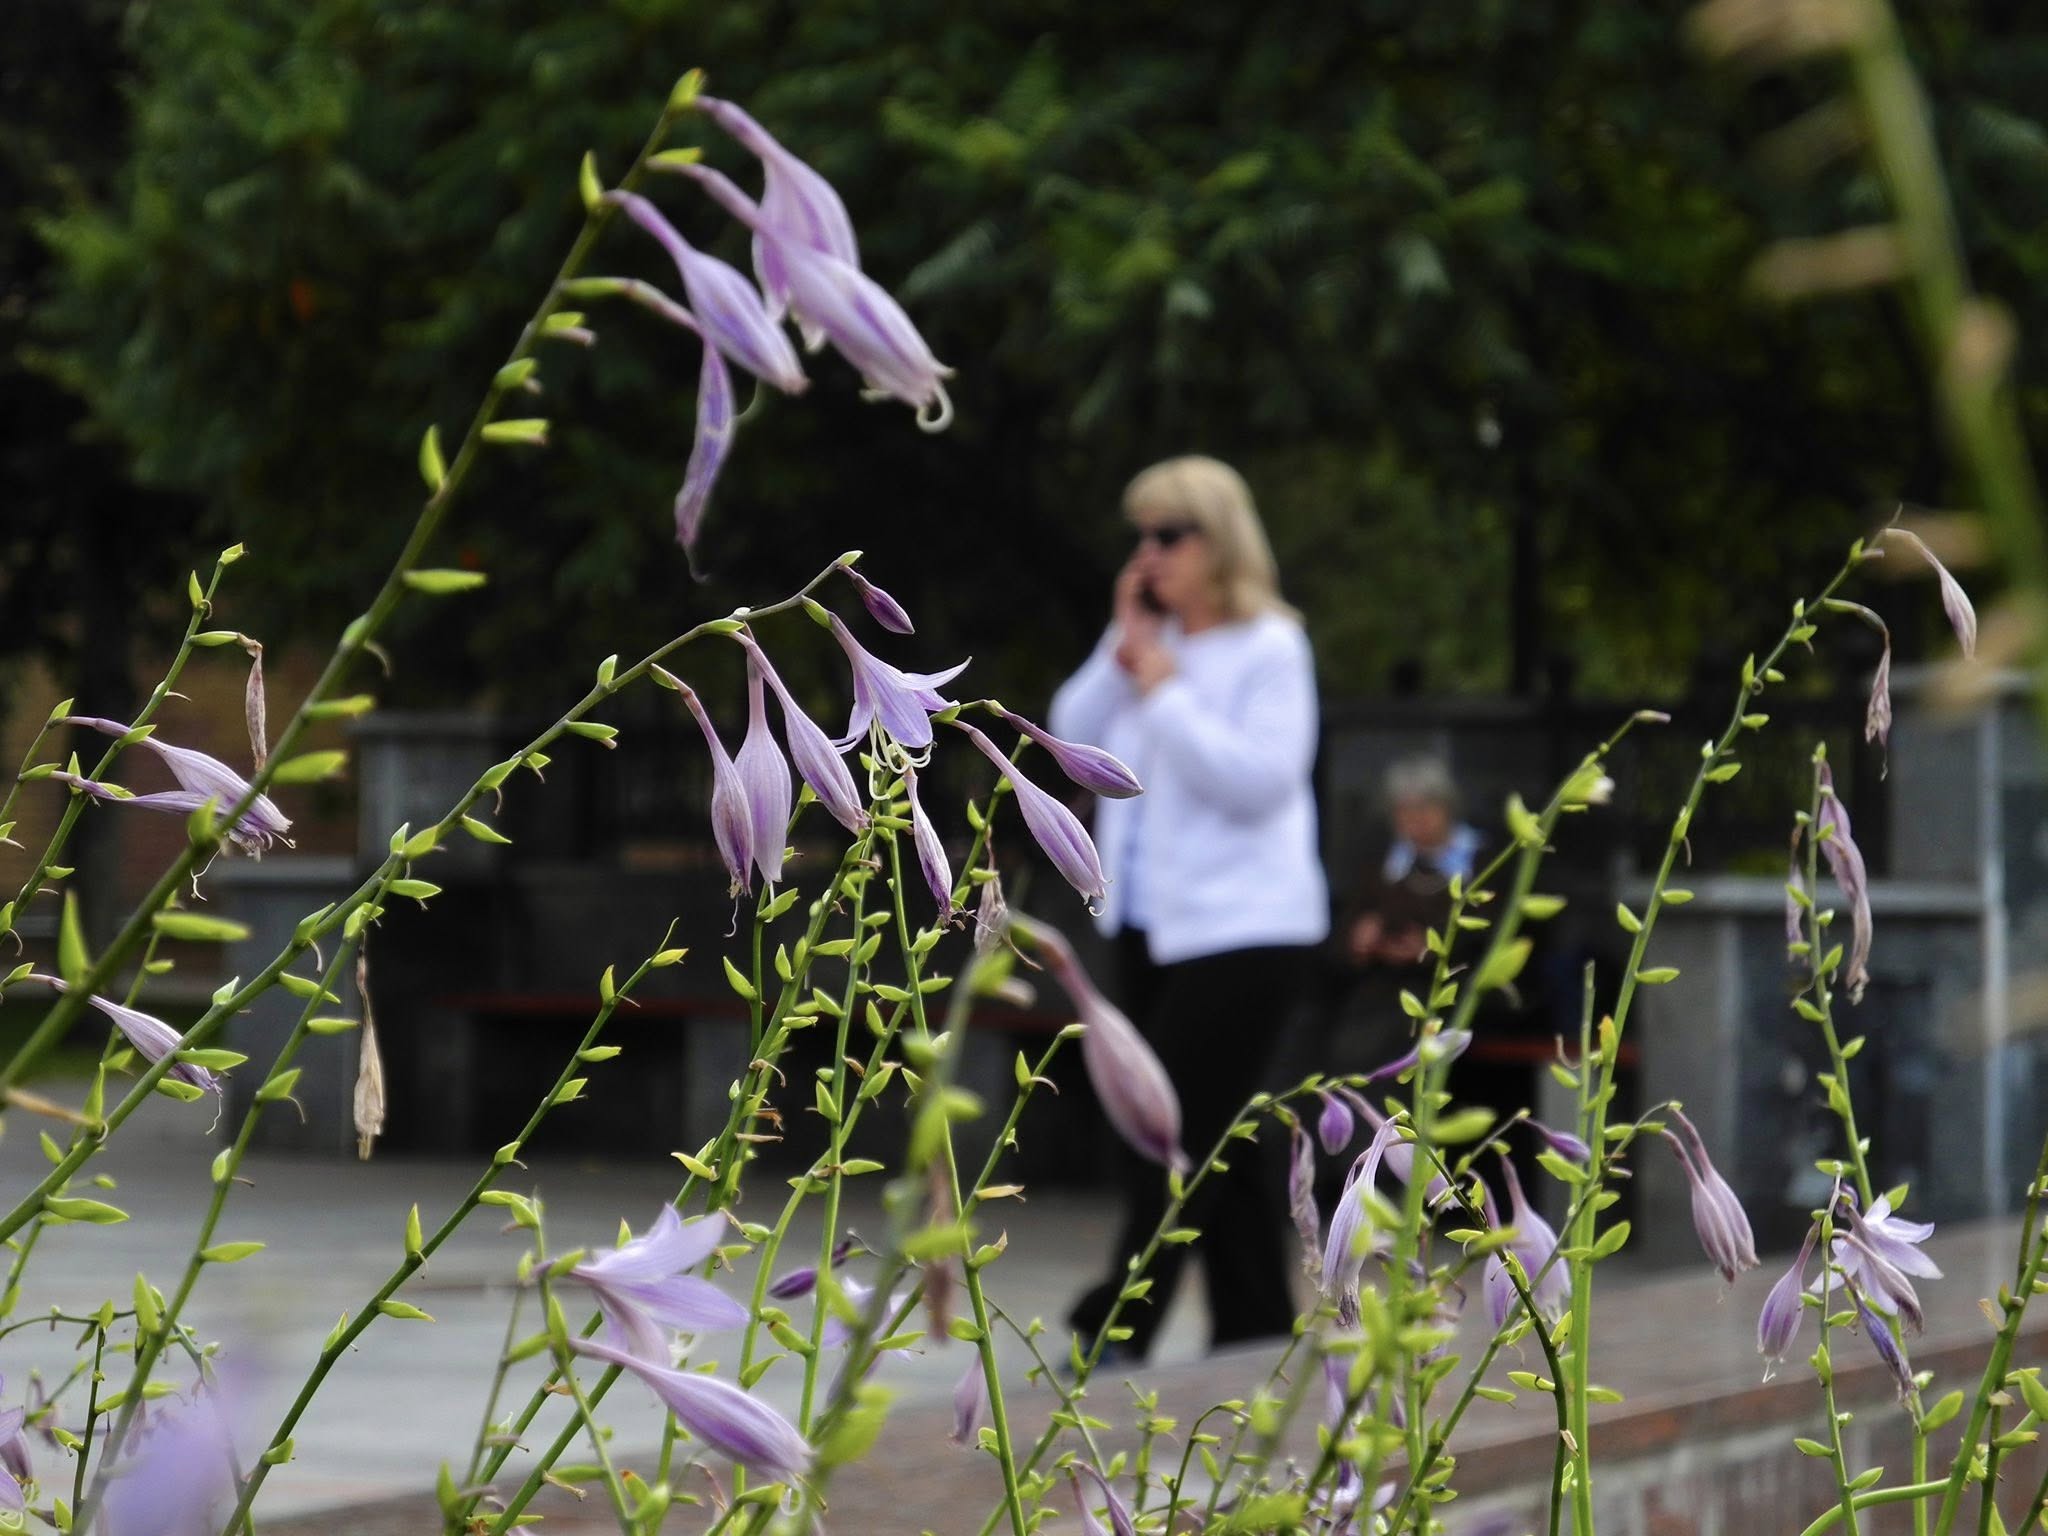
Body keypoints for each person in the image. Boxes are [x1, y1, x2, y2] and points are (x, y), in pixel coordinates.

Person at [1049, 455, 1328, 1360]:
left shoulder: (1271, 646)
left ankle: (1116, 1324)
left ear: (1221, 541)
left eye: (1169, 535)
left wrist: (1166, 692)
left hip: (1248, 928)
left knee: (1166, 1133)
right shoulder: (1146, 647)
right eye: (1141, 536)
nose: (1149, 554)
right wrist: (1124, 642)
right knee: (1220, 1137)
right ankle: (1256, 1328)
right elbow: (1070, 735)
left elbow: (1261, 780)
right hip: (1153, 926)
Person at [1327, 757, 1485, 1078]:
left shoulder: (1482, 859)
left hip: (1454, 993)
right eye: (1404, 810)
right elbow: (1343, 932)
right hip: (1380, 993)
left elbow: (1490, 932)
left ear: (1448, 808)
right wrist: (1359, 939)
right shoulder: (1380, 860)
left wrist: (1430, 948)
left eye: (1425, 808)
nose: (1415, 819)